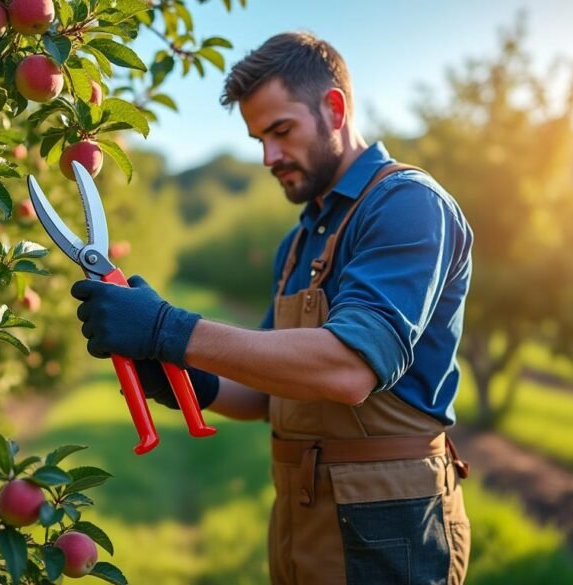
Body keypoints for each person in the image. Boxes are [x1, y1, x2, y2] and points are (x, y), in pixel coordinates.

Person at [70, 31, 473, 585]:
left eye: (281, 131)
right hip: (300, 518)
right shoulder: (298, 242)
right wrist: (188, 381)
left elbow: (349, 369)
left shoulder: (406, 205)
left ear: (334, 110)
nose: (268, 157)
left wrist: (167, 328)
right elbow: (269, 394)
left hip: (390, 522)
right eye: (259, 138)